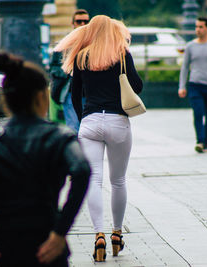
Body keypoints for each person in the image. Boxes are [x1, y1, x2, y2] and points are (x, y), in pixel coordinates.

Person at [0, 52, 91, 267]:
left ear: (6, 100)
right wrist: (60, 231)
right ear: (41, 97)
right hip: (46, 246)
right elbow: (82, 171)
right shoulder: (59, 137)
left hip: (1, 248)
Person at [55, 15, 143, 262]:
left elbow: (74, 94)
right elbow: (137, 86)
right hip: (118, 121)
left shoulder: (82, 56)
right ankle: (117, 233)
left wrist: (84, 117)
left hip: (90, 121)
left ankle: (99, 236)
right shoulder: (121, 54)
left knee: (93, 180)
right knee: (118, 180)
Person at [178, 17, 207, 153]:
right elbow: (185, 67)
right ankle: (200, 141)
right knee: (198, 113)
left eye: (201, 27)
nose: (198, 29)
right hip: (195, 85)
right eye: (196, 27)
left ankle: (206, 141)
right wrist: (182, 86)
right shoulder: (190, 46)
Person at [50, 9, 90, 132]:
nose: (82, 24)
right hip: (70, 92)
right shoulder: (64, 44)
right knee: (73, 128)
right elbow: (54, 68)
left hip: (91, 93)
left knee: (88, 130)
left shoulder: (93, 44)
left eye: (86, 21)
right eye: (79, 21)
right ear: (73, 24)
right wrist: (69, 70)